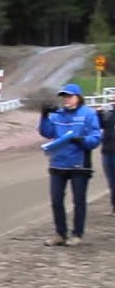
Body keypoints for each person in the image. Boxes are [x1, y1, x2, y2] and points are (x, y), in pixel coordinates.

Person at [39, 83, 103, 246]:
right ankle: (60, 234)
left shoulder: (89, 114)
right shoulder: (58, 115)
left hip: (79, 165)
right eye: (64, 97)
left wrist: (82, 140)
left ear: (78, 97)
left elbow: (95, 137)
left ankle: (77, 234)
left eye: (70, 96)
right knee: (56, 200)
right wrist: (44, 116)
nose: (66, 100)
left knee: (79, 201)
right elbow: (47, 132)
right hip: (58, 164)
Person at [100, 99, 115, 214]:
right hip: (107, 151)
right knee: (111, 182)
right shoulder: (109, 114)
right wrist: (99, 114)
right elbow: (101, 125)